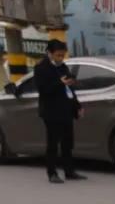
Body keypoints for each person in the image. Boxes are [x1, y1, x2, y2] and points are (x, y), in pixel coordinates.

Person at [33, 39, 85, 184]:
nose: (61, 58)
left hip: (66, 109)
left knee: (67, 142)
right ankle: (52, 173)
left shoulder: (62, 66)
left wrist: (77, 106)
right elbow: (43, 90)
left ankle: (69, 171)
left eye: (63, 55)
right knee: (53, 143)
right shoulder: (41, 68)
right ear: (49, 53)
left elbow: (69, 90)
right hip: (51, 111)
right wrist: (59, 83)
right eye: (58, 55)